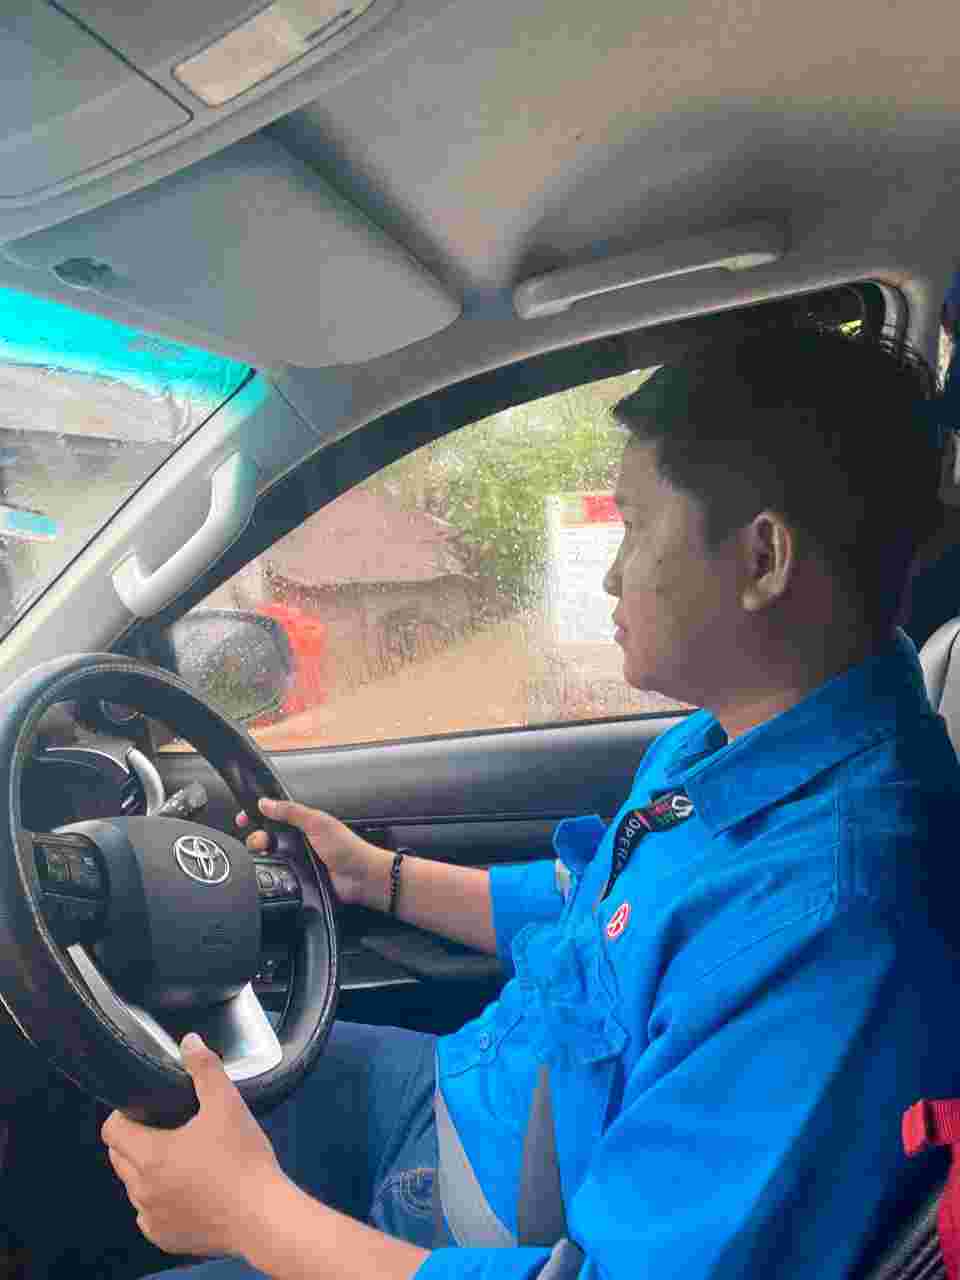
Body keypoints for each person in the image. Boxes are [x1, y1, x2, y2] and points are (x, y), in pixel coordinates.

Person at [104, 326, 960, 1280]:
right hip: (465, 1092)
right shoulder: (728, 740)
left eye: (635, 526)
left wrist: (255, 1215)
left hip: (488, 1227)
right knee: (164, 1069)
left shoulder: (831, 924)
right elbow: (598, 907)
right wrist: (375, 876)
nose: (610, 572)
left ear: (763, 559)